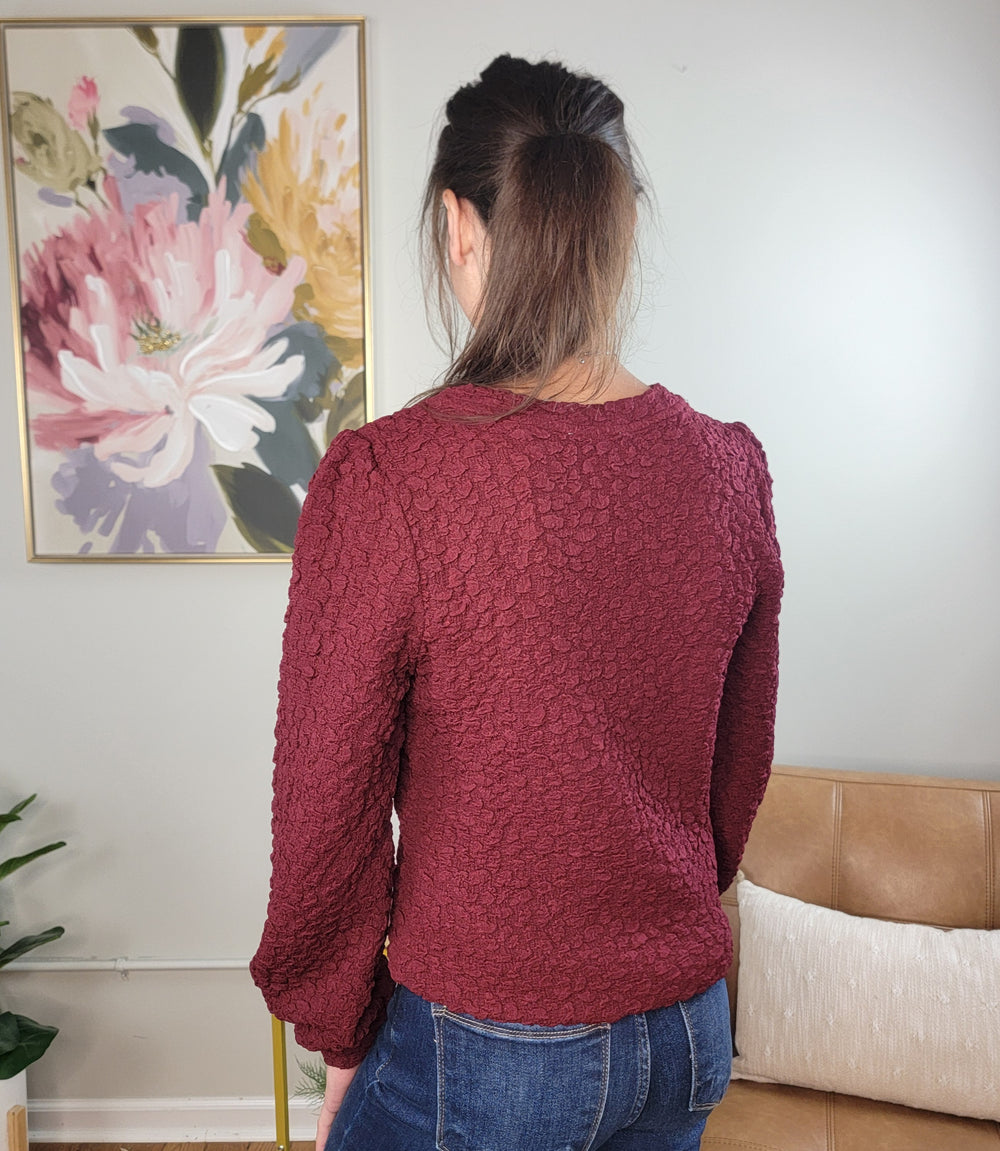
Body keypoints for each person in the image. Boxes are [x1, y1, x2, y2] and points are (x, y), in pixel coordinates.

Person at [250, 53, 783, 1151]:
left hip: (492, 1050)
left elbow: (326, 799)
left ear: (459, 227)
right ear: (619, 225)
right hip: (683, 1026)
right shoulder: (729, 470)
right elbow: (736, 771)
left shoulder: (394, 476)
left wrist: (343, 1025)